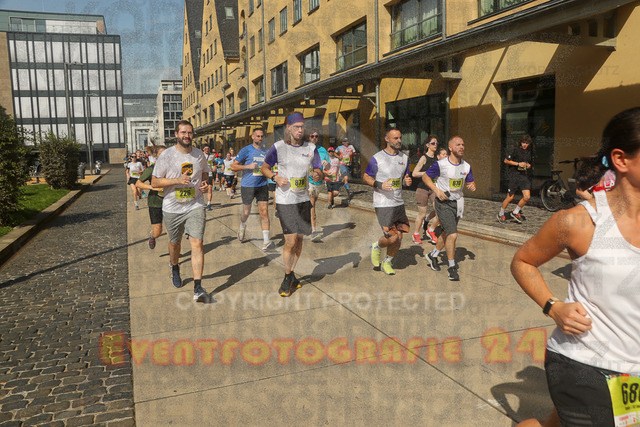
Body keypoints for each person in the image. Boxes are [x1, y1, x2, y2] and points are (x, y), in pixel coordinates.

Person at [511, 107, 640, 427]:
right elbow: (523, 261)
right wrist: (554, 307)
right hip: (585, 364)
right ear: (621, 160)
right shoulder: (579, 222)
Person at [261, 112, 323, 297]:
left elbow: (318, 169)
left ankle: (292, 273)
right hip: (285, 200)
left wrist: (318, 174)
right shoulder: (278, 147)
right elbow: (264, 167)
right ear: (288, 128)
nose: (300, 130)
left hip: (303, 200)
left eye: (302, 127)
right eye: (296, 127)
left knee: (300, 239)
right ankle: (287, 277)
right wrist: (275, 177)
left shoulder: (311, 148)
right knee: (291, 240)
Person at [151, 120, 211, 302]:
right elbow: (155, 182)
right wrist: (176, 180)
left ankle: (198, 287)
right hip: (172, 207)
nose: (187, 136)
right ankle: (175, 266)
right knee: (175, 243)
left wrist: (205, 184)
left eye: (190, 132)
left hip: (195, 205)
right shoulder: (167, 156)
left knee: (197, 243)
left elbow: (205, 173)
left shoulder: (199, 155)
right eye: (183, 132)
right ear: (176, 134)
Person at [424, 136, 476, 281]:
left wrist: (472, 185)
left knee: (447, 233)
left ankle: (433, 255)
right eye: (458, 144)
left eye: (463, 144)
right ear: (451, 148)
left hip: (457, 204)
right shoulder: (441, 164)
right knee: (453, 235)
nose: (461, 147)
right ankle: (452, 267)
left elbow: (470, 182)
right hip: (443, 203)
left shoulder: (466, 166)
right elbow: (425, 178)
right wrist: (436, 190)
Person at [363, 128, 412, 276]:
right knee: (392, 237)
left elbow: (405, 177)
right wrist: (380, 185)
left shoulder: (404, 158)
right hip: (383, 204)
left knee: (400, 237)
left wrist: (407, 181)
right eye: (395, 138)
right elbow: (366, 177)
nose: (399, 141)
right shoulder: (377, 158)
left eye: (400, 138)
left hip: (398, 203)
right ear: (387, 139)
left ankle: (387, 261)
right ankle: (377, 247)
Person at [231, 128, 274, 251]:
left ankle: (266, 241)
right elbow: (233, 166)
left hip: (262, 185)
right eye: (258, 136)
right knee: (246, 212)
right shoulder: (246, 150)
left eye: (262, 136)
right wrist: (248, 166)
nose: (260, 138)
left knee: (264, 212)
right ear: (253, 137)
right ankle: (242, 227)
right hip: (248, 186)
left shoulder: (266, 151)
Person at [411, 136, 441, 245]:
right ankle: (416, 234)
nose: (435, 145)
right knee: (422, 214)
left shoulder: (437, 159)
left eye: (436, 143)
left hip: (433, 188)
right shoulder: (424, 158)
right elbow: (414, 173)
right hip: (422, 188)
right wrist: (427, 173)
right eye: (433, 143)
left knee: (439, 211)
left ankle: (431, 230)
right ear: (427, 145)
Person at [136, 145, 167, 249]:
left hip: (170, 202)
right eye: (161, 154)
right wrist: (153, 187)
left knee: (172, 233)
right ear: (156, 156)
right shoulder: (151, 169)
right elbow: (138, 183)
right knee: (157, 232)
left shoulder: (173, 168)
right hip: (155, 202)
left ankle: (173, 256)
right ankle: (152, 236)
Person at [497, 134, 533, 224]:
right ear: (521, 142)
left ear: (529, 144)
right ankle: (501, 214)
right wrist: (518, 164)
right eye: (523, 142)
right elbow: (506, 161)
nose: (524, 144)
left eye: (526, 143)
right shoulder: (515, 150)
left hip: (523, 176)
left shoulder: (529, 152)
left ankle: (515, 212)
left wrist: (528, 165)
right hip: (514, 176)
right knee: (510, 197)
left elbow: (528, 163)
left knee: (527, 197)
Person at [307, 129, 330, 241]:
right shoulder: (304, 149)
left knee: (312, 203)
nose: (314, 138)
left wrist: (327, 164)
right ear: (308, 137)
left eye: (316, 136)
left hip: (319, 182)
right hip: (308, 181)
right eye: (312, 136)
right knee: (312, 204)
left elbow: (328, 168)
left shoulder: (322, 150)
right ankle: (313, 231)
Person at [336, 137, 357, 201]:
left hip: (349, 165)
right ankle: (349, 192)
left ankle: (338, 187)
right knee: (346, 178)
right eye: (344, 141)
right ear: (342, 142)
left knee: (345, 179)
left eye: (347, 141)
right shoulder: (339, 147)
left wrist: (352, 153)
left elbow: (355, 153)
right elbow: (334, 152)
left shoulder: (351, 147)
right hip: (342, 164)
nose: (346, 142)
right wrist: (338, 156)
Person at [203, 145, 216, 210]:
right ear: (203, 149)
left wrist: (214, 167)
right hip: (202, 175)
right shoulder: (200, 155)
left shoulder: (212, 156)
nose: (207, 150)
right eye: (205, 149)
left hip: (210, 174)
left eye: (208, 149)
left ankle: (208, 204)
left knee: (210, 188)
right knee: (201, 190)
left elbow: (214, 162)